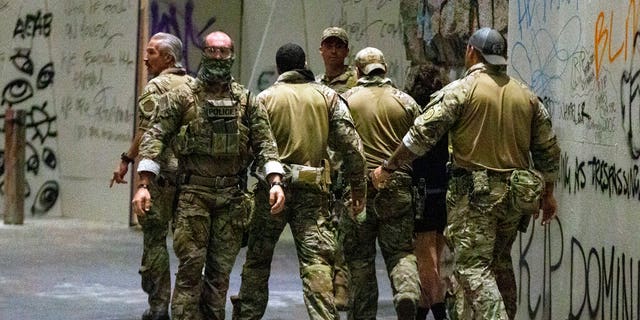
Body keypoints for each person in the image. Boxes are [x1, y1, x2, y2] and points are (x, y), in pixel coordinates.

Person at [370, 27, 561, 319]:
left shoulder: (461, 90)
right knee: (498, 263)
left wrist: (388, 167)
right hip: (517, 198)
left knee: (473, 268)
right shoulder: (526, 96)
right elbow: (548, 148)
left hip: (477, 198)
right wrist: (548, 194)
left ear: (472, 52)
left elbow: (420, 135)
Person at [131, 31, 286, 320]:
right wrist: (144, 184)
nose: (217, 57)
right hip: (193, 198)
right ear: (203, 53)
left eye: (223, 52)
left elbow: (265, 142)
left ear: (232, 55)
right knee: (190, 268)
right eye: (211, 51)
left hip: (231, 199)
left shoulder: (247, 101)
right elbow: (155, 136)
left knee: (219, 273)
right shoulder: (182, 97)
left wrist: (275, 181)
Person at [232, 43, 366, 320]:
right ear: (305, 63)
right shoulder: (327, 97)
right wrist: (358, 188)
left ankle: (247, 315)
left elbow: (244, 149)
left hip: (270, 192)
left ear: (278, 67)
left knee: (257, 262)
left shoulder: (264, 99)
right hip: (313, 194)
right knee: (316, 263)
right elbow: (352, 147)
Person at [109, 32, 193, 320]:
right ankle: (188, 308)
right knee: (189, 246)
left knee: (156, 242)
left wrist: (128, 161)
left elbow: (146, 134)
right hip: (192, 179)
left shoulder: (155, 88)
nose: (146, 58)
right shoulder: (195, 86)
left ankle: (159, 307)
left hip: (159, 177)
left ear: (168, 58)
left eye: (152, 52)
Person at [340, 47, 421, 320]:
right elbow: (421, 142)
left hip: (358, 189)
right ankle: (407, 293)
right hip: (398, 185)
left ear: (358, 71)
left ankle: (363, 316)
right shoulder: (407, 102)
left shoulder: (346, 100)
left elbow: (336, 143)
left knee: (360, 260)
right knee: (400, 252)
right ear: (384, 69)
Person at [316, 26, 358, 310]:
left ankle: (343, 286)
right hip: (322, 166)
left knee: (345, 232)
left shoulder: (356, 83)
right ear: (321, 50)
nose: (333, 51)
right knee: (324, 231)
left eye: (338, 46)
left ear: (346, 51)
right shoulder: (316, 84)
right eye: (328, 45)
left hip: (345, 165)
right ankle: (328, 284)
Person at [404, 64, 451, 320]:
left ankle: (439, 312)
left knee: (424, 258)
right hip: (443, 186)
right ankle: (422, 313)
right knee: (437, 255)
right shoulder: (447, 108)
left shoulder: (413, 110)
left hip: (420, 188)